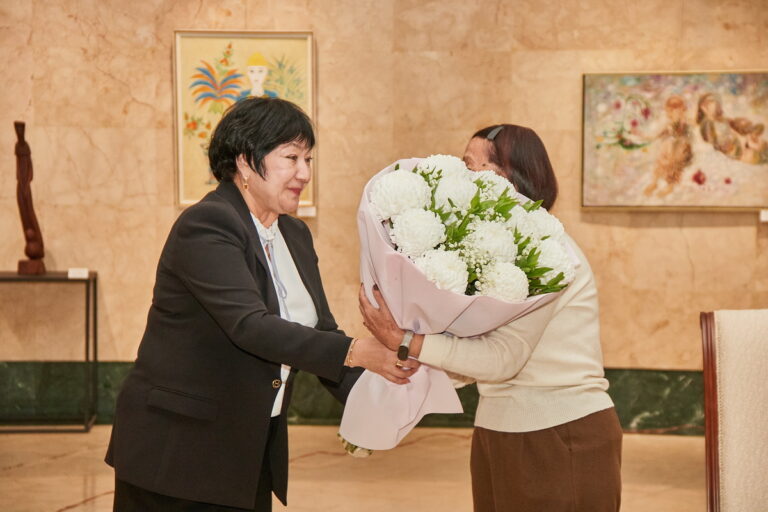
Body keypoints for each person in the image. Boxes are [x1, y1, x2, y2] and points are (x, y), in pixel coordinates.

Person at [106, 97, 417, 511]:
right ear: (245, 162)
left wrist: (386, 389)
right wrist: (358, 351)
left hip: (246, 450)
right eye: (291, 157)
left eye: (308, 159)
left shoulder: (295, 234)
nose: (305, 173)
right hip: (178, 450)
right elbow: (250, 326)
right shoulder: (208, 224)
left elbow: (320, 331)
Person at [360, 124, 622, 512]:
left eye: (478, 167)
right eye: (464, 165)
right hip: (499, 430)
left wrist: (407, 341)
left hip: (561, 433)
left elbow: (503, 359)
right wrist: (405, 360)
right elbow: (477, 354)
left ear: (515, 177)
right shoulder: (499, 254)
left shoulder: (550, 255)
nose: (467, 176)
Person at [644, 95, 693, 197]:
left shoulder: (686, 123)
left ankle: (670, 186)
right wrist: (642, 135)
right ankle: (654, 182)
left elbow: (690, 136)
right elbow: (656, 135)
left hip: (680, 149)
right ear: (669, 112)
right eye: (673, 110)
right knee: (660, 163)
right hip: (667, 149)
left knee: (674, 166)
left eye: (679, 110)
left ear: (683, 110)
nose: (677, 113)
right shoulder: (668, 124)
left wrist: (686, 145)